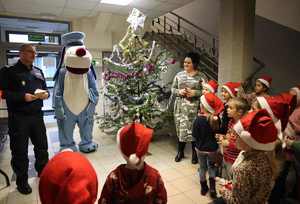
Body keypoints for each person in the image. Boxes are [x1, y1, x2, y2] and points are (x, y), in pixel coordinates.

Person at [1, 44, 49, 194]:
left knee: (42, 147)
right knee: (20, 150)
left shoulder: (38, 71)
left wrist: (46, 94)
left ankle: (43, 173)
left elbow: (45, 88)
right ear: (21, 53)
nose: (33, 55)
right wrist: (22, 96)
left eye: (35, 52)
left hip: (37, 116)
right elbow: (3, 93)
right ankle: (22, 182)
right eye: (30, 52)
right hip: (19, 117)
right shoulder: (9, 71)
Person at [214, 109, 280, 204]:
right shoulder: (266, 157)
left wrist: (223, 191)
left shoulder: (243, 169)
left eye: (236, 135)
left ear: (248, 142)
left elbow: (238, 202)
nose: (233, 137)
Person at [99, 122, 167, 204]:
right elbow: (162, 200)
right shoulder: (154, 176)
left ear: (122, 152)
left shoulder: (114, 177)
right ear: (145, 152)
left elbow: (104, 201)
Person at [171, 52, 207, 164]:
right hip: (180, 108)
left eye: (188, 62)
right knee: (180, 131)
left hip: (195, 108)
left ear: (194, 63)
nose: (185, 64)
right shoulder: (179, 75)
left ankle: (194, 154)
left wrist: (195, 92)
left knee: (194, 131)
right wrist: (179, 91)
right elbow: (172, 89)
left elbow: (206, 91)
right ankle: (180, 152)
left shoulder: (201, 76)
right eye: (185, 62)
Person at [192, 93, 224, 198]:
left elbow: (194, 135)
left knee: (202, 168)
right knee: (211, 168)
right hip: (212, 149)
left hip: (200, 149)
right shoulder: (216, 119)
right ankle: (213, 189)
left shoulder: (197, 120)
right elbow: (218, 132)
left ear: (202, 106)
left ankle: (203, 188)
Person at [218, 97, 249, 179]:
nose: (227, 109)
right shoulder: (231, 121)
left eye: (231, 108)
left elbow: (244, 146)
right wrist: (224, 137)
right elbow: (230, 136)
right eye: (228, 107)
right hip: (226, 156)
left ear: (240, 112)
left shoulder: (243, 126)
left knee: (232, 182)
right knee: (225, 180)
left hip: (235, 160)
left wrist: (228, 143)